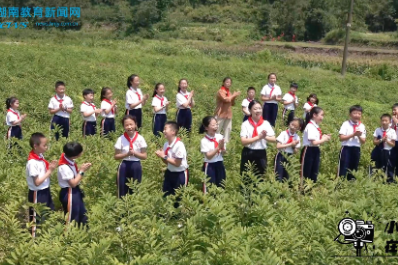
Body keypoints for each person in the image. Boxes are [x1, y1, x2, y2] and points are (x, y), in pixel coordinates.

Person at [26, 133, 58, 237]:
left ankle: (46, 237)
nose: (46, 147)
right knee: (37, 219)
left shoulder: (40, 156)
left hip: (45, 190)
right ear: (35, 146)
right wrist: (50, 170)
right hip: (37, 193)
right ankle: (34, 242)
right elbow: (37, 182)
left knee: (48, 213)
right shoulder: (32, 163)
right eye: (44, 145)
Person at [58, 142, 92, 226]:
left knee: (82, 216)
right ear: (75, 155)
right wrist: (82, 171)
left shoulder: (70, 161)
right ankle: (68, 237)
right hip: (69, 192)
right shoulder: (64, 167)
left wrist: (79, 170)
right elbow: (73, 183)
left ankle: (83, 235)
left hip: (75, 191)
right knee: (72, 219)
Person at [240, 100, 276, 179]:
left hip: (261, 153)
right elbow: (243, 141)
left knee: (261, 177)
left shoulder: (265, 123)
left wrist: (264, 137)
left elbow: (273, 139)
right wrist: (258, 137)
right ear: (250, 110)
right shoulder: (245, 124)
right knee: (246, 177)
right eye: (255, 109)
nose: (258, 111)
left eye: (260, 108)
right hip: (248, 152)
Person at [114, 115, 147, 198]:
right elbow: (116, 156)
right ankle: (123, 208)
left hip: (136, 165)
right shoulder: (120, 139)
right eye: (126, 125)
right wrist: (126, 154)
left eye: (131, 124)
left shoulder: (140, 139)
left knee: (135, 189)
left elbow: (144, 156)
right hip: (124, 165)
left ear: (135, 124)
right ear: (124, 127)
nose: (129, 127)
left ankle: (134, 207)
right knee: (122, 189)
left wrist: (135, 153)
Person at [155, 121, 189, 198]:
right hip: (169, 173)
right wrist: (161, 156)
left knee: (178, 199)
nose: (163, 131)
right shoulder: (166, 144)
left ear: (173, 132)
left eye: (165, 129)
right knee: (166, 195)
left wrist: (164, 156)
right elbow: (166, 162)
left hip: (180, 174)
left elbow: (177, 163)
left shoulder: (179, 145)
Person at [301, 107, 331, 183]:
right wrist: (323, 139)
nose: (322, 117)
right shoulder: (310, 126)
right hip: (309, 150)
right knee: (306, 171)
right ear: (314, 115)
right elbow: (313, 142)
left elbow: (316, 140)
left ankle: (311, 190)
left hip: (315, 149)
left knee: (314, 171)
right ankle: (303, 191)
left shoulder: (315, 126)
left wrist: (324, 137)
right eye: (321, 115)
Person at [338, 105, 366, 181]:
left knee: (353, 169)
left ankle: (351, 186)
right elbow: (341, 138)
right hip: (346, 148)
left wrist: (359, 136)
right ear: (350, 114)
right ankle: (340, 186)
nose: (357, 115)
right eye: (355, 113)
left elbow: (363, 141)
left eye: (359, 114)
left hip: (356, 149)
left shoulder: (362, 126)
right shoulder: (345, 124)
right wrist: (353, 134)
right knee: (343, 168)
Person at [199, 116, 226, 193]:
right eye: (213, 125)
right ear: (206, 128)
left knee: (221, 185)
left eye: (216, 124)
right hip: (209, 165)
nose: (216, 127)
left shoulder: (220, 137)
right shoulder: (204, 141)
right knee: (209, 187)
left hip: (220, 163)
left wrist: (223, 148)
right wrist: (218, 148)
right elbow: (209, 156)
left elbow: (223, 153)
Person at [274, 118, 302, 182]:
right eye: (292, 124)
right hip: (281, 155)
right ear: (289, 123)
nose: (293, 127)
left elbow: (296, 152)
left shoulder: (297, 137)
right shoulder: (284, 133)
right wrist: (290, 144)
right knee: (278, 174)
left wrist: (294, 146)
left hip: (290, 156)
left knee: (287, 175)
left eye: (295, 127)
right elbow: (278, 146)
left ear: (298, 128)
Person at [371, 114, 397, 182]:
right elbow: (374, 142)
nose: (384, 122)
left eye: (386, 120)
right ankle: (378, 179)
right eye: (383, 120)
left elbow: (393, 144)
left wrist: (387, 141)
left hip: (387, 151)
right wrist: (381, 140)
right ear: (380, 121)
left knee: (388, 166)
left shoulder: (392, 131)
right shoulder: (377, 130)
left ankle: (389, 181)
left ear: (390, 122)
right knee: (378, 165)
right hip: (379, 150)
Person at [214, 77, 241, 143]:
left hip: (228, 114)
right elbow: (226, 99)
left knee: (228, 129)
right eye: (227, 82)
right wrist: (233, 95)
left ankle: (226, 144)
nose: (228, 84)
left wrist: (234, 97)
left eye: (230, 83)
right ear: (223, 83)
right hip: (220, 113)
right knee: (217, 129)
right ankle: (215, 143)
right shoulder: (220, 91)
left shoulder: (229, 92)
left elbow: (232, 103)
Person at [391, 103, 398, 176]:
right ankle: (390, 179)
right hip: (393, 141)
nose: (393, 112)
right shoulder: (391, 119)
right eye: (393, 110)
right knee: (392, 160)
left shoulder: (395, 120)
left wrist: (396, 122)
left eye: (395, 110)